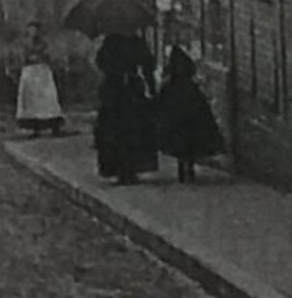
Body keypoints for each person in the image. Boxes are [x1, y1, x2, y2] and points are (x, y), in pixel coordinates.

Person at [93, 32, 159, 185]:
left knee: (121, 131)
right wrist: (151, 88)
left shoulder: (110, 41)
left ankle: (123, 169)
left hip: (119, 91)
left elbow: (100, 63)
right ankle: (127, 169)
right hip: (124, 90)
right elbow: (148, 65)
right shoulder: (135, 41)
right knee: (128, 131)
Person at [155, 45, 225, 182]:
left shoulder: (170, 86)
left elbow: (161, 102)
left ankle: (182, 170)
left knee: (179, 144)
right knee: (190, 143)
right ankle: (190, 168)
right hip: (191, 118)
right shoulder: (191, 87)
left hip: (176, 118)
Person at [14, 21, 65, 137]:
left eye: (35, 30)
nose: (33, 32)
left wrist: (42, 57)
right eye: (30, 30)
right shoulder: (24, 44)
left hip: (42, 72)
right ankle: (35, 128)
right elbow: (20, 57)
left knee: (47, 99)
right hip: (30, 72)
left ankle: (54, 126)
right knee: (31, 101)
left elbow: (50, 56)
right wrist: (24, 59)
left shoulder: (44, 43)